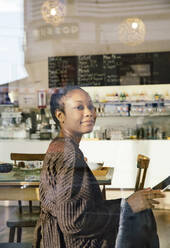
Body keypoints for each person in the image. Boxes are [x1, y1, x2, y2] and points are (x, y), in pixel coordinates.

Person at [34, 86, 165, 248]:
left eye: (90, 106)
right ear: (60, 115)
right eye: (79, 107)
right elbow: (74, 221)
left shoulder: (60, 146)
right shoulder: (69, 153)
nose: (89, 112)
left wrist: (128, 202)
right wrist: (127, 205)